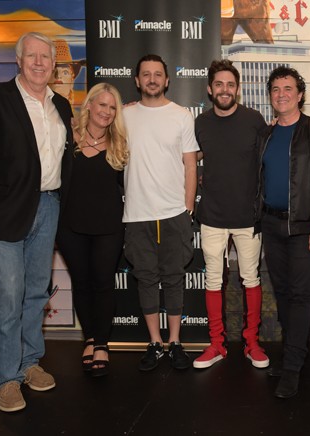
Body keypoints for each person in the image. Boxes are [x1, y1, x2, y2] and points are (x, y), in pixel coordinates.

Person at [0, 32, 73, 412]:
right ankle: (5, 378)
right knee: (7, 296)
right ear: (18, 60)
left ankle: (29, 362)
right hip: (1, 214)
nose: (39, 62)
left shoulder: (63, 106)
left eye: (46, 57)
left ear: (53, 65)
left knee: (36, 293)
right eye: (32, 56)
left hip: (48, 207)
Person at [257, 66, 310, 398]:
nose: (282, 94)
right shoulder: (266, 133)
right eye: (276, 89)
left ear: (301, 94)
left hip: (306, 225)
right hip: (271, 225)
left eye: (288, 88)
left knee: (301, 295)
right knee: (282, 295)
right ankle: (296, 354)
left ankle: (291, 367)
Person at [122, 54, 198, 372]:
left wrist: (188, 207)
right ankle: (155, 342)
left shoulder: (181, 116)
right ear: (137, 81)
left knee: (174, 279)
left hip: (174, 213)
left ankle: (175, 342)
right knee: (147, 280)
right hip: (137, 214)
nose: (152, 79)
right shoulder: (122, 115)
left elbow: (190, 163)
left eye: (158, 74)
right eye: (146, 74)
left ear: (167, 80)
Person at [193, 60, 268, 369]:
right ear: (210, 89)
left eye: (230, 85)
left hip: (249, 217)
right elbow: (186, 157)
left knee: (250, 278)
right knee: (213, 280)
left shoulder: (254, 120)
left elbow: (272, 156)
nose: (225, 90)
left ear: (238, 88)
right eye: (219, 85)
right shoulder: (200, 123)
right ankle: (216, 345)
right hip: (211, 215)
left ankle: (252, 343)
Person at [57, 83, 128, 377]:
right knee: (82, 283)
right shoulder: (67, 139)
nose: (107, 112)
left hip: (108, 227)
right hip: (70, 226)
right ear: (89, 105)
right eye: (102, 105)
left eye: (113, 108)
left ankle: (102, 343)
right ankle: (88, 338)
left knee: (102, 283)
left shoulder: (120, 144)